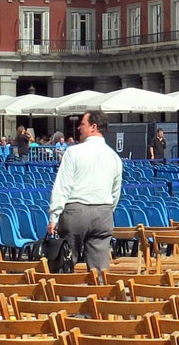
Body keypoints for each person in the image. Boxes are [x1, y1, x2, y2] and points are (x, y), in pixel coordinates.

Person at [47, 111, 122, 273]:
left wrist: (54, 216)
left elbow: (62, 186)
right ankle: (99, 296)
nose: (79, 128)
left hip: (76, 211)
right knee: (100, 269)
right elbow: (116, 192)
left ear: (93, 127)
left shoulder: (74, 152)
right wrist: (107, 210)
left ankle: (66, 296)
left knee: (65, 264)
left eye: (83, 124)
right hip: (103, 211)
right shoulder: (114, 156)